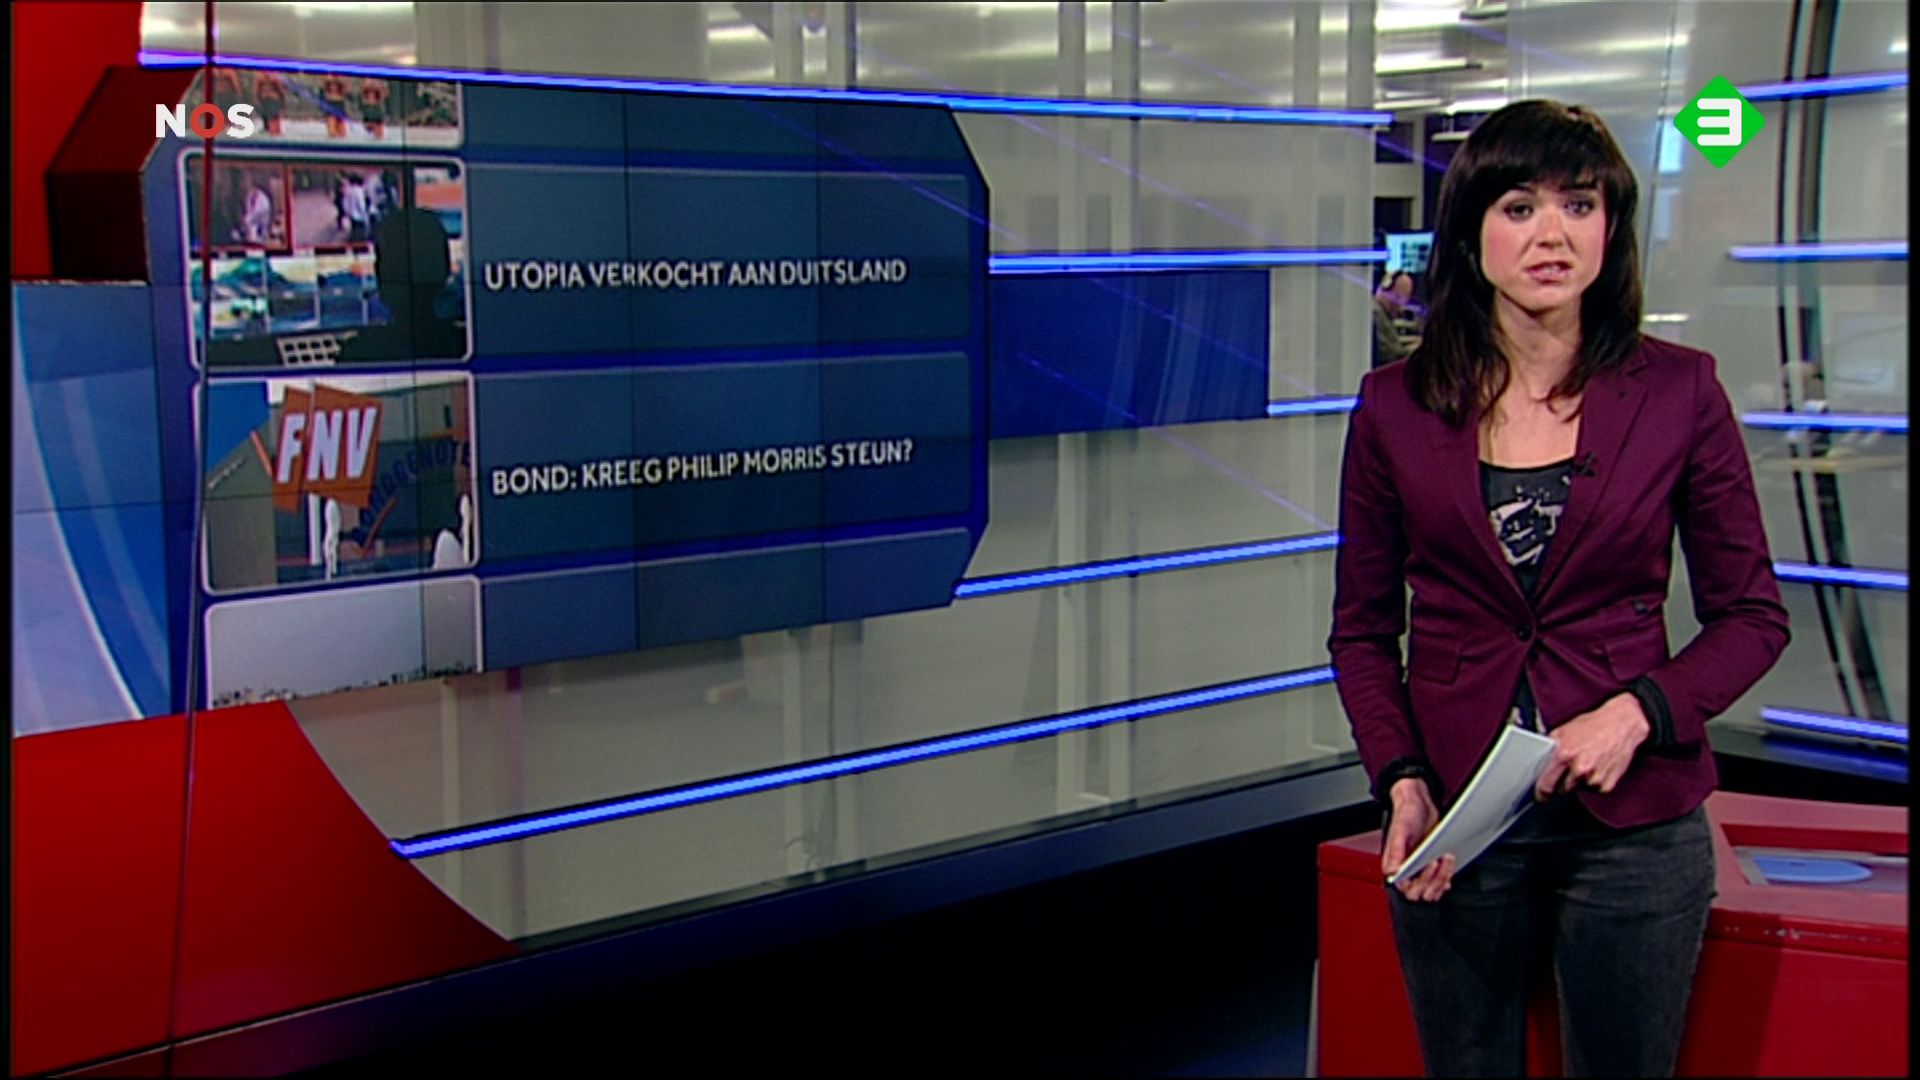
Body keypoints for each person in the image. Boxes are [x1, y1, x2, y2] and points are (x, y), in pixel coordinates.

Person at [1327, 100, 1790, 1078]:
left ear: (1611, 228)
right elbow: (1362, 634)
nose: (1552, 233)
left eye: (1579, 205)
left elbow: (1752, 617)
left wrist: (1637, 713)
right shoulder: (1394, 408)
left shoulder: (1681, 393)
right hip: (1458, 814)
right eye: (1519, 207)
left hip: (1634, 825)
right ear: (1470, 232)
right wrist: (1400, 779)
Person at [1371, 270, 1414, 367]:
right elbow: (1389, 354)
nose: (1401, 307)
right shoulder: (1376, 314)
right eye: (1399, 298)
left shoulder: (1383, 314)